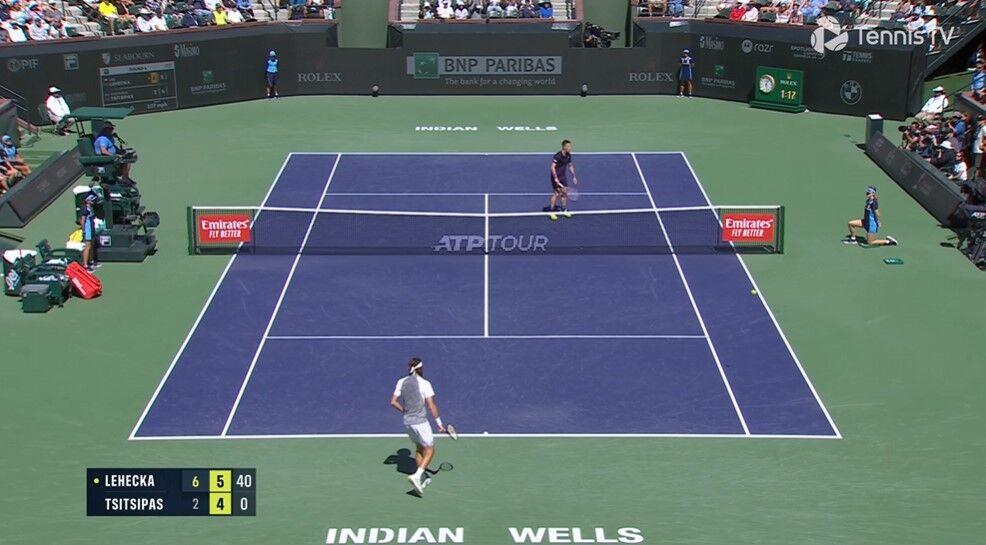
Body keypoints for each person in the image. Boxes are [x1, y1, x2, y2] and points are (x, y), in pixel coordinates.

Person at [389, 357, 445, 495]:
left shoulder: (401, 381)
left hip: (408, 422)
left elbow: (393, 402)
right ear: (421, 369)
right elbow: (431, 406)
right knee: (430, 450)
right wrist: (439, 424)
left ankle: (421, 477)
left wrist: (405, 411)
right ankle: (417, 475)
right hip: (420, 423)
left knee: (419, 448)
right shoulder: (425, 384)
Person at [547, 139, 577, 220]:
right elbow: (552, 167)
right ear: (564, 147)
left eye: (570, 146)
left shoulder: (568, 155)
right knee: (556, 193)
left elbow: (570, 165)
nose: (570, 148)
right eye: (568, 146)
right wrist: (555, 178)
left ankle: (564, 209)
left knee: (565, 193)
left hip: (563, 177)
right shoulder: (558, 156)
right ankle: (551, 211)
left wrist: (574, 176)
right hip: (555, 176)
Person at [80, 192, 99, 271]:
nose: (93, 201)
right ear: (87, 201)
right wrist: (84, 231)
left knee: (92, 245)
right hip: (88, 230)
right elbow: (82, 221)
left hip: (92, 228)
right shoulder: (85, 209)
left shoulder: (91, 208)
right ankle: (85, 265)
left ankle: (91, 261)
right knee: (87, 246)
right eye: (91, 200)